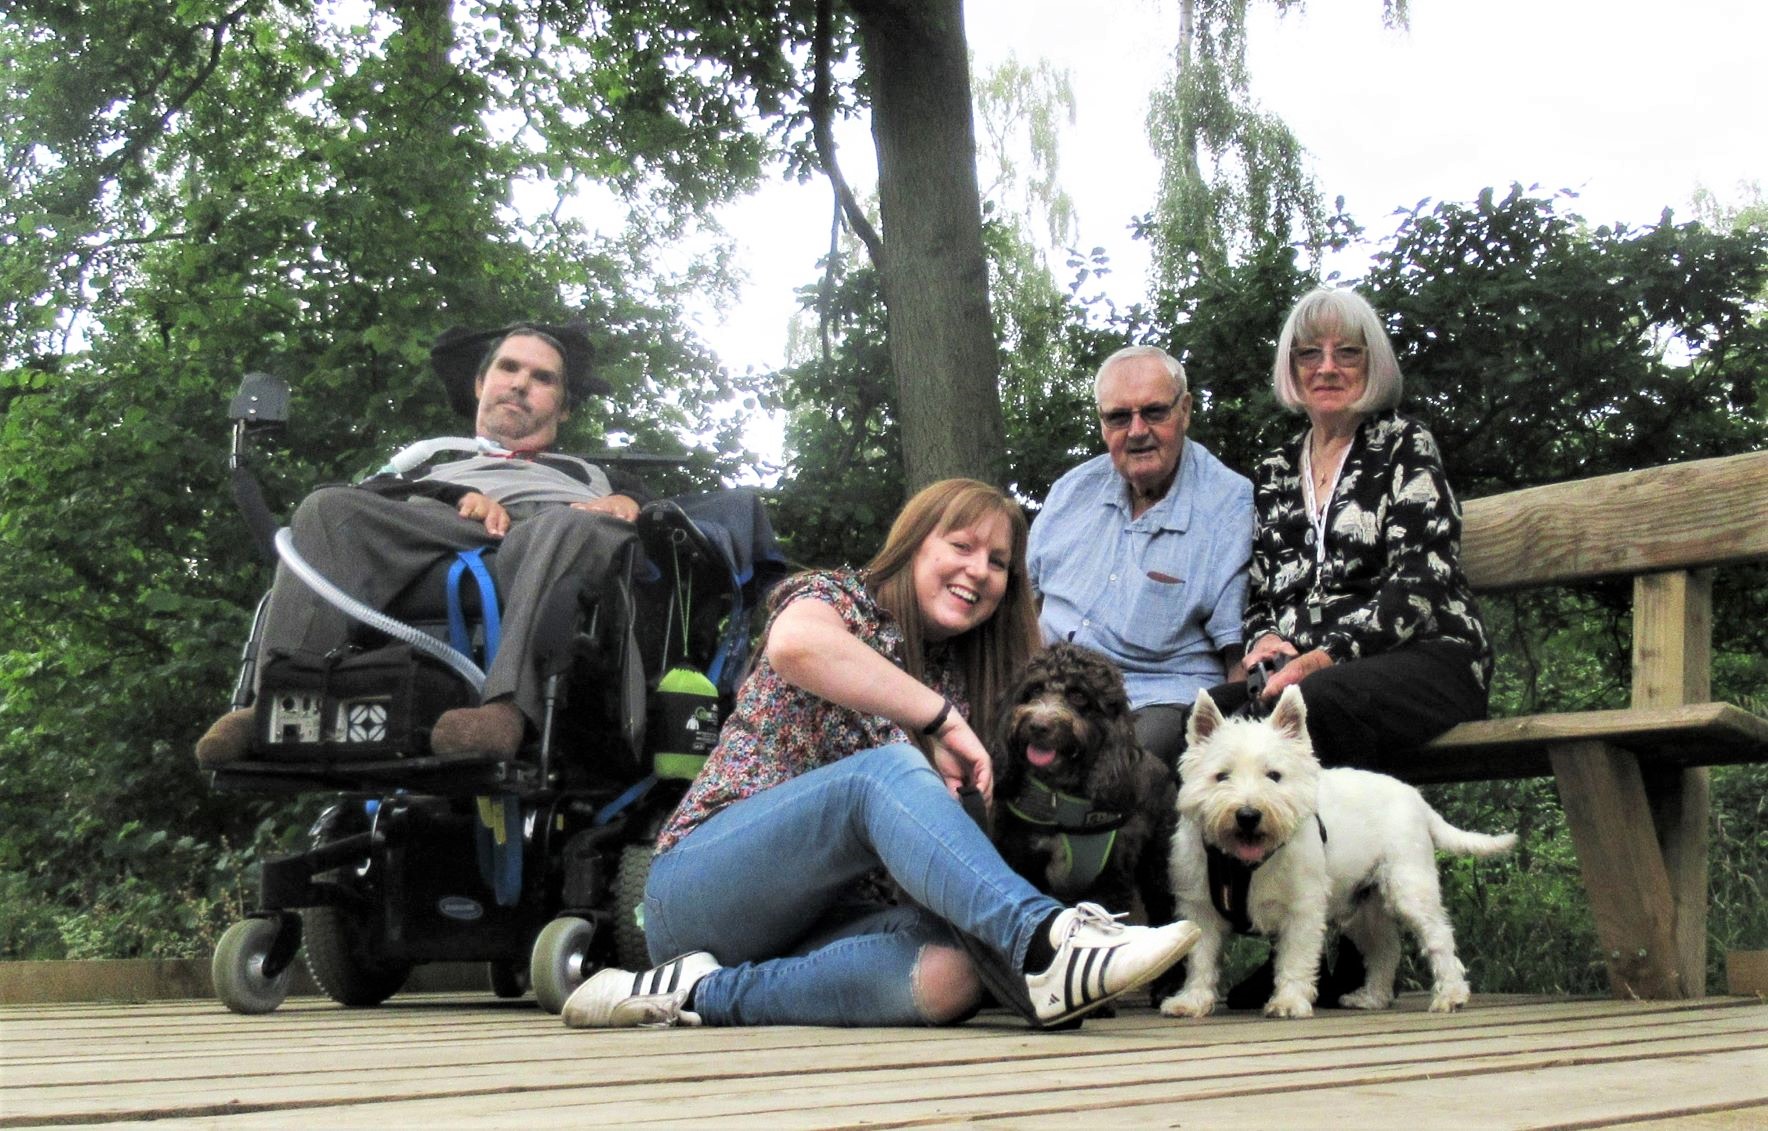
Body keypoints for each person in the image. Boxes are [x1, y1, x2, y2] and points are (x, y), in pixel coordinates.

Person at [561, 479, 1201, 1030]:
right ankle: (1049, 939)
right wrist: (935, 720)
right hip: (704, 890)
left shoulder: (974, 686)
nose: (979, 569)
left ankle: (694, 993)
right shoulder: (840, 601)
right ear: (915, 543)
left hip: (835, 921)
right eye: (961, 546)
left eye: (999, 562)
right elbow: (796, 648)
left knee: (953, 975)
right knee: (886, 771)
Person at [194, 322, 648, 766]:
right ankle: (276, 702)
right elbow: (369, 501)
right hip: (440, 524)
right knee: (326, 508)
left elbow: (661, 514)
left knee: (566, 524)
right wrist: (455, 494)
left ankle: (507, 711)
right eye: (508, 368)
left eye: (542, 378)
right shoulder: (430, 463)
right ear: (479, 384)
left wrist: (628, 500)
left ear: (564, 407)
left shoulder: (588, 474)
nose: (520, 384)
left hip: (550, 532)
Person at [1211, 287, 1492, 763]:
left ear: (1371, 363)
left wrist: (1323, 659)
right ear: (1292, 368)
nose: (1326, 367)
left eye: (1346, 353)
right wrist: (1266, 640)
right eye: (1309, 354)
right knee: (1208, 721)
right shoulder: (1276, 470)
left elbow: (1420, 580)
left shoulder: (1404, 445)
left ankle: (1337, 839)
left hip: (1427, 656)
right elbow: (1259, 591)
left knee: (1313, 706)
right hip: (1308, 675)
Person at [1027, 345, 1254, 770]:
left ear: (1185, 411)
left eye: (1154, 412)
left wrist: (1236, 749)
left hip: (1152, 697)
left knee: (1123, 770)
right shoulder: (1071, 491)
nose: (1136, 431)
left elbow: (1235, 653)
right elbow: (1022, 600)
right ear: (1101, 422)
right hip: (1050, 688)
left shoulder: (1227, 502)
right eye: (1118, 417)